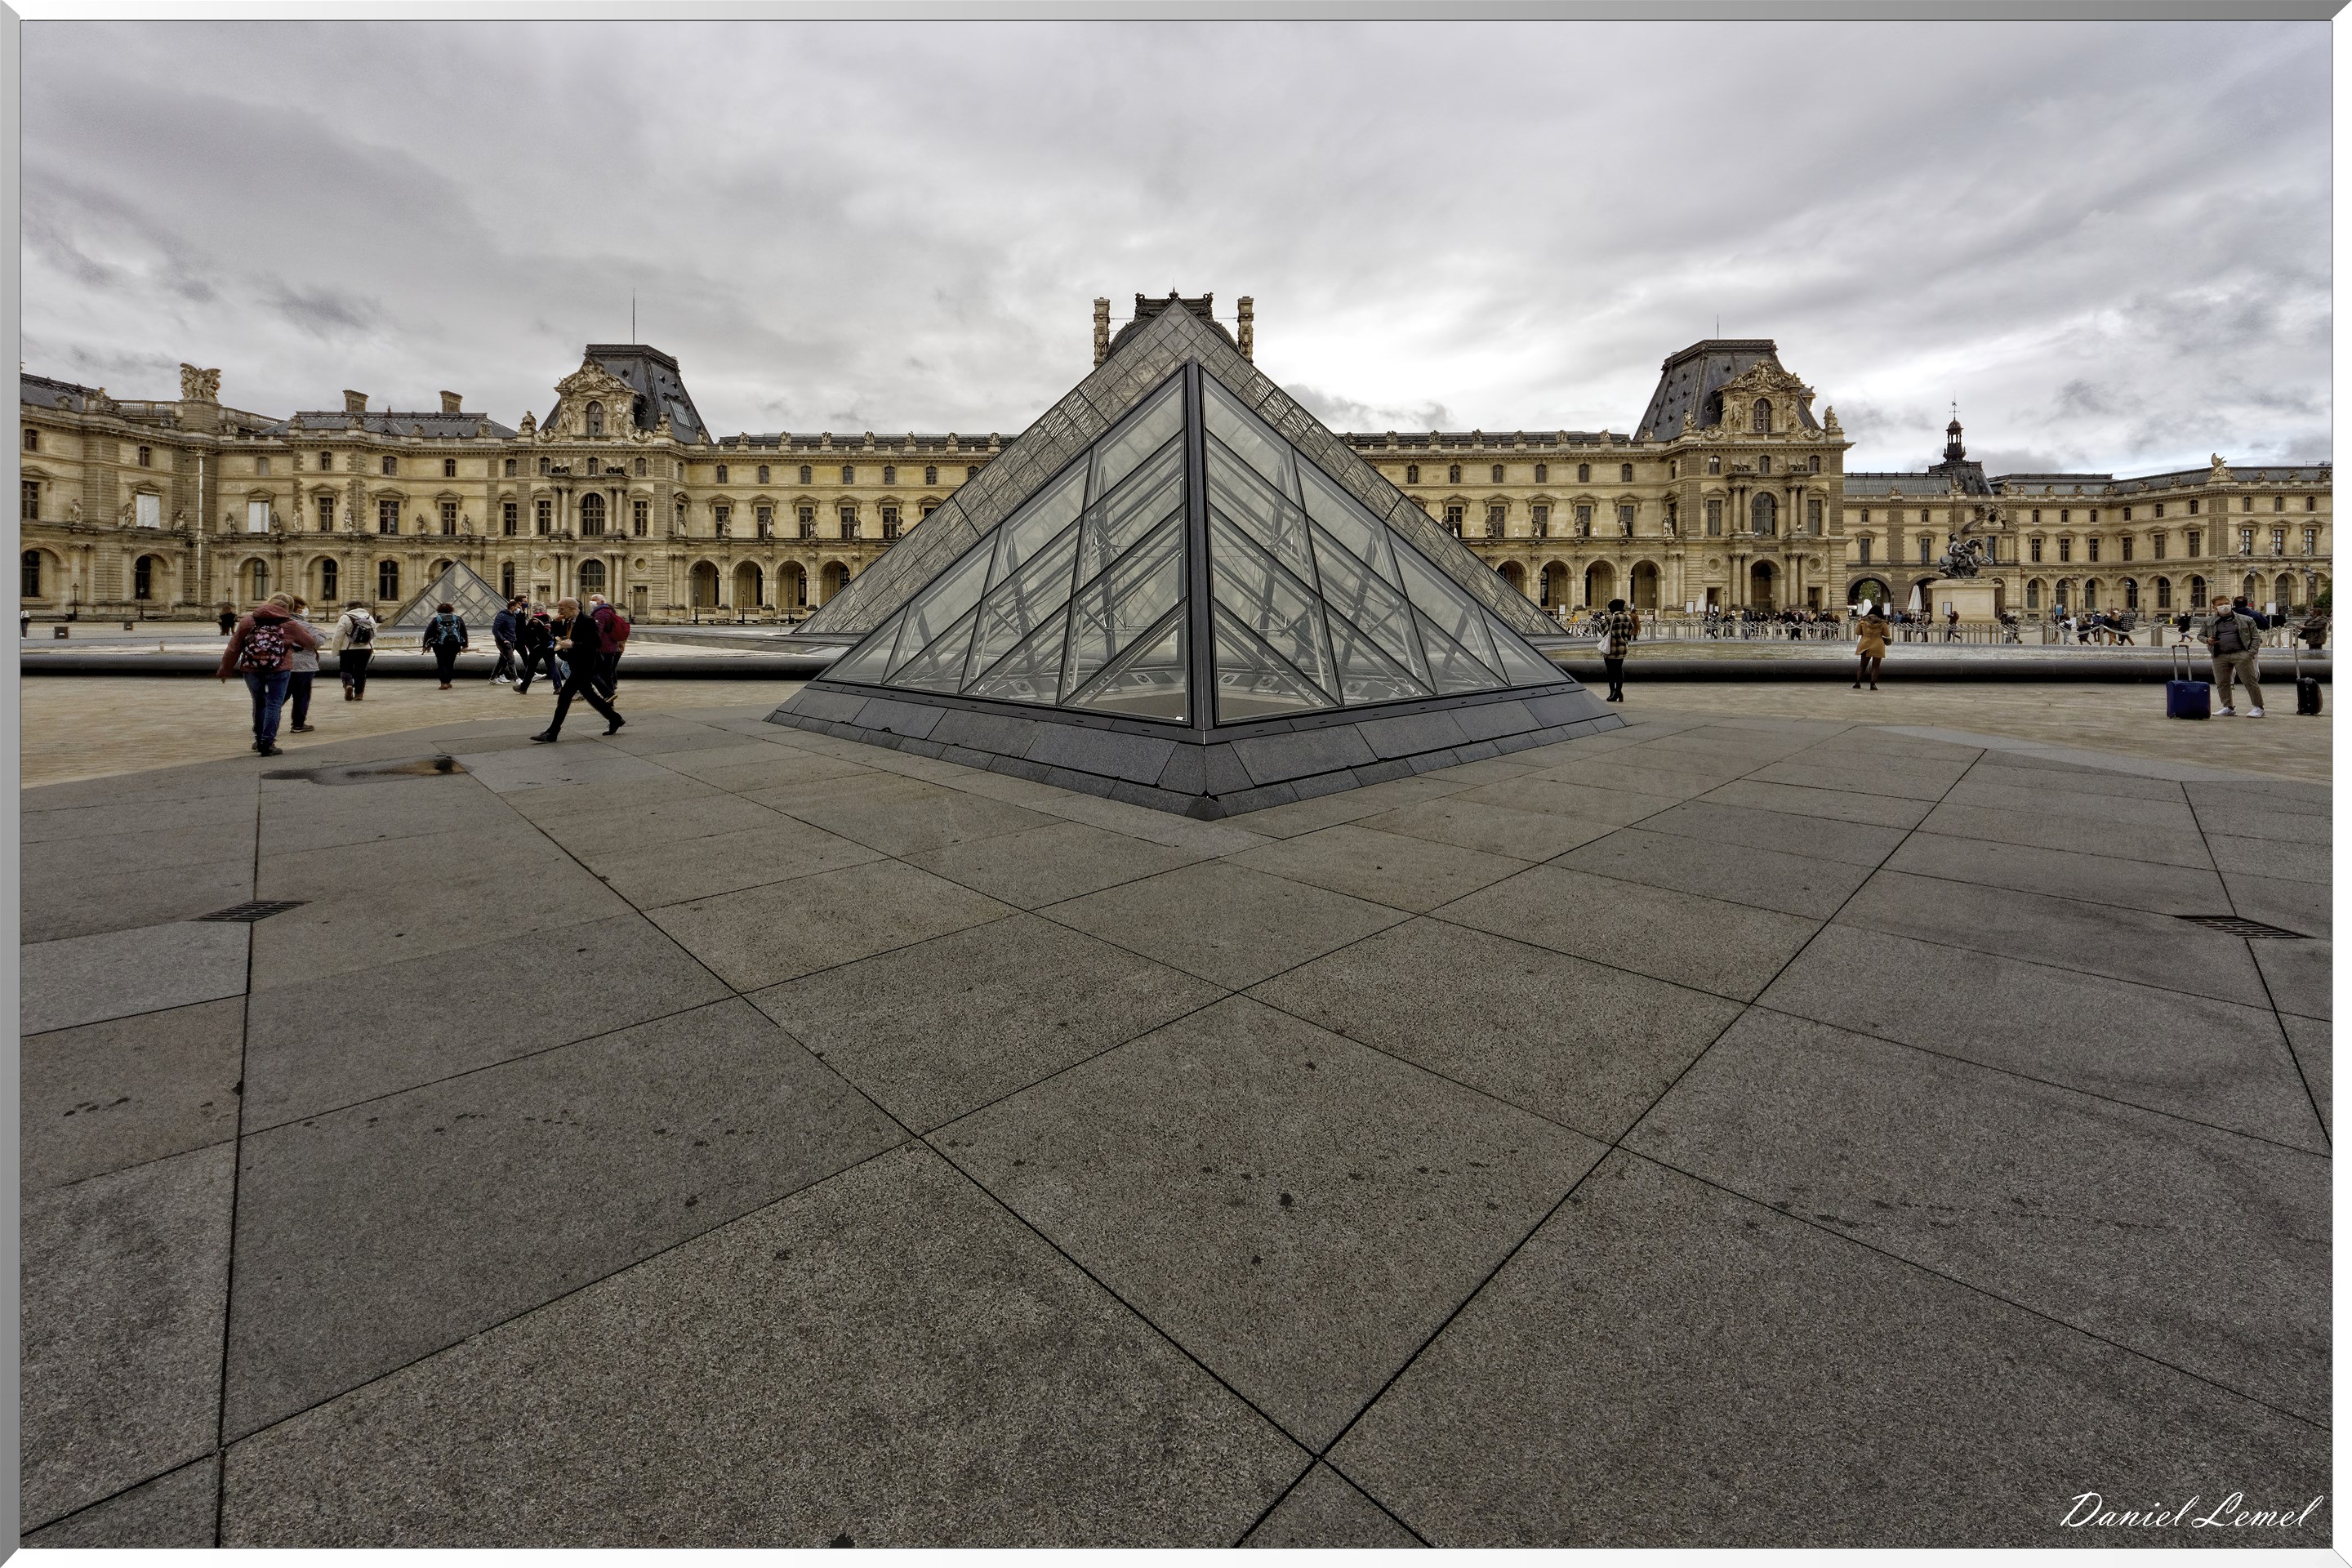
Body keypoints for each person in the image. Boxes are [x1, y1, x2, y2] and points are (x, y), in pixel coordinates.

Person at [217, 591, 318, 757]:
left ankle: (258, 740)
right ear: (289, 608)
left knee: (259, 703)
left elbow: (234, 648)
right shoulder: (290, 624)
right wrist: (291, 643)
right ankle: (268, 743)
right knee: (274, 704)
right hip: (279, 669)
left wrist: (225, 670)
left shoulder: (248, 621)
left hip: (252, 668)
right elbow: (310, 642)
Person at [530, 597, 626, 742]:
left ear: (572, 608)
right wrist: (556, 623)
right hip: (576, 664)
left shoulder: (587, 621)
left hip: (585, 666)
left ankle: (552, 732)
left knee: (564, 697)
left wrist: (574, 644)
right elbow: (559, 637)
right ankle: (615, 719)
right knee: (590, 696)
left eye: (561, 609)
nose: (558, 611)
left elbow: (595, 643)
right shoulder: (569, 621)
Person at [2204, 595, 2266, 717]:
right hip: (2220, 655)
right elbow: (2201, 635)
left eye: (2226, 603)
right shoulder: (2209, 621)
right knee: (2222, 682)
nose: (2224, 606)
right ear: (2214, 607)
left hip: (2241, 654)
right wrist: (2207, 640)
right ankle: (2228, 707)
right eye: (2221, 604)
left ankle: (2259, 707)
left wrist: (2250, 653)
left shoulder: (2246, 619)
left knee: (2250, 681)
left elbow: (2256, 638)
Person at [285, 596, 321, 733]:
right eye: (303, 607)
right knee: (302, 695)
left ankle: (266, 720)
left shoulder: (276, 623)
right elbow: (316, 641)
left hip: (282, 664)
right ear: (297, 609)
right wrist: (321, 633)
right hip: (303, 664)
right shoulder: (302, 625)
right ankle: (298, 724)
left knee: (280, 696)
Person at [586, 592, 631, 700]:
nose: (591, 602)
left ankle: (609, 694)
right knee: (606, 672)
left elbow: (598, 631)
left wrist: (590, 644)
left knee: (600, 673)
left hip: (603, 647)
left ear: (601, 602)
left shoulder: (601, 613)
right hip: (610, 646)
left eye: (594, 600)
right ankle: (609, 694)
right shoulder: (609, 611)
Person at [332, 600, 377, 700]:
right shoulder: (369, 617)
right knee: (360, 671)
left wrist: (335, 650)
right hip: (366, 649)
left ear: (349, 608)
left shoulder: (345, 617)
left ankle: (348, 685)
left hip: (348, 648)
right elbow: (374, 634)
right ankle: (359, 694)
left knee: (345, 668)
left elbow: (338, 635)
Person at [1597, 596, 1637, 703]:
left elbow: (1603, 631)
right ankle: (1619, 692)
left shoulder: (1612, 618)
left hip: (1611, 648)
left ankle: (1613, 693)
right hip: (1622, 647)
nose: (1609, 610)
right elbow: (1630, 630)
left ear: (1614, 608)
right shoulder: (1628, 617)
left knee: (1610, 671)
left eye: (1610, 608)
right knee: (1619, 670)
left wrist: (1601, 620)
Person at [421, 601, 468, 690]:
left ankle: (444, 683)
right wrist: (465, 645)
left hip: (440, 645)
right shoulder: (457, 619)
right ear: (451, 610)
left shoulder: (436, 619)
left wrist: (426, 645)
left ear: (439, 610)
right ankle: (448, 681)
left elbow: (428, 633)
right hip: (454, 644)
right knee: (450, 663)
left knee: (442, 663)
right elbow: (463, 632)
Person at [515, 607, 558, 693]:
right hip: (549, 648)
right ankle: (558, 686)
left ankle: (523, 688)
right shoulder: (549, 621)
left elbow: (524, 633)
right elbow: (553, 635)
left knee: (530, 669)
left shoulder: (534, 622)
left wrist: (533, 647)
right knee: (552, 667)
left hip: (537, 649)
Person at [489, 597, 524, 684]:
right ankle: (517, 679)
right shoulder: (502, 616)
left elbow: (520, 625)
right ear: (512, 607)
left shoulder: (513, 616)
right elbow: (495, 629)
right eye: (517, 607)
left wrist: (522, 612)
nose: (518, 609)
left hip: (511, 640)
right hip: (504, 642)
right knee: (511, 660)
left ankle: (493, 678)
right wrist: (503, 639)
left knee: (502, 660)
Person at [1855, 604, 1889, 691]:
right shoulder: (1883, 623)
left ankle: (1858, 683)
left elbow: (1857, 632)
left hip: (1865, 644)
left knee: (1862, 665)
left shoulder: (1862, 621)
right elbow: (1887, 635)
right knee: (1876, 666)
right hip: (1878, 644)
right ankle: (1873, 684)